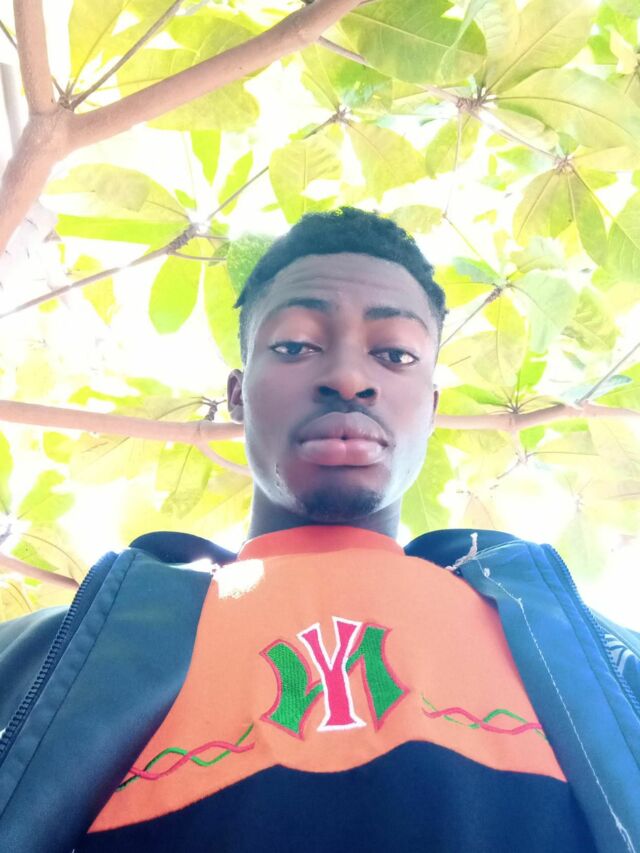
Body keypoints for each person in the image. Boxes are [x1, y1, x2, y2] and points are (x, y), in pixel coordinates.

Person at [0, 207, 638, 853]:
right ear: (238, 393)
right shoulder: (39, 657)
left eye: (395, 353)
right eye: (295, 346)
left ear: (431, 407)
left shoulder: (605, 659)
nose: (349, 379)